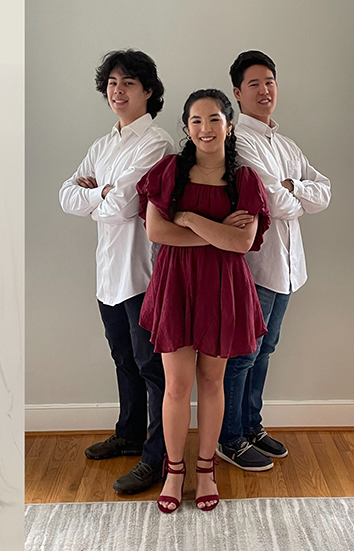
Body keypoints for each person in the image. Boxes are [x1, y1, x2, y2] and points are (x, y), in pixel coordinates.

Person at [137, 89, 271, 512]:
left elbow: (243, 242)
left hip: (223, 287)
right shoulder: (169, 171)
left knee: (213, 383)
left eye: (214, 119)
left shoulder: (244, 179)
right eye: (196, 121)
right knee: (176, 385)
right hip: (176, 284)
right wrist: (218, 234)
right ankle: (175, 472)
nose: (205, 128)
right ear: (186, 128)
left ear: (229, 125)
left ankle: (207, 469)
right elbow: (157, 232)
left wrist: (190, 217)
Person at [59, 49, 174, 494]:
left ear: (148, 90)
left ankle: (157, 454)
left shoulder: (156, 143)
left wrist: (102, 194)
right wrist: (100, 195)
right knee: (123, 360)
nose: (118, 90)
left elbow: (126, 205)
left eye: (128, 82)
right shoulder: (103, 144)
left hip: (143, 275)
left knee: (152, 368)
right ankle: (128, 433)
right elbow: (67, 195)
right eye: (111, 82)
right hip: (108, 275)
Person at [216, 51, 331, 471]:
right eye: (254, 84)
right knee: (243, 353)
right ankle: (229, 438)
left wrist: (292, 186)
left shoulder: (285, 143)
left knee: (266, 351)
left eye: (270, 82)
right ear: (237, 92)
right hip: (255, 268)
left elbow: (324, 191)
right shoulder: (240, 140)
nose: (264, 91)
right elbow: (273, 201)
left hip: (287, 268)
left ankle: (251, 426)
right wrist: (294, 191)